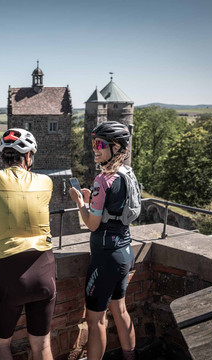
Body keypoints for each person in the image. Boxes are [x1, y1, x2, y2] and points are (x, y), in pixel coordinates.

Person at [0, 128, 56, 360]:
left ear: (3, 157)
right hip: (45, 269)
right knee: (42, 346)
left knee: (1, 345)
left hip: (10, 275)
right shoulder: (45, 181)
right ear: (28, 157)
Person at [69, 121, 136, 360]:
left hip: (106, 256)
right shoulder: (127, 174)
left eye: (100, 144)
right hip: (125, 251)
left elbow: (93, 224)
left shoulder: (103, 179)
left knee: (95, 318)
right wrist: (93, 201)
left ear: (116, 147)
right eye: (93, 143)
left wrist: (80, 203)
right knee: (120, 309)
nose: (95, 149)